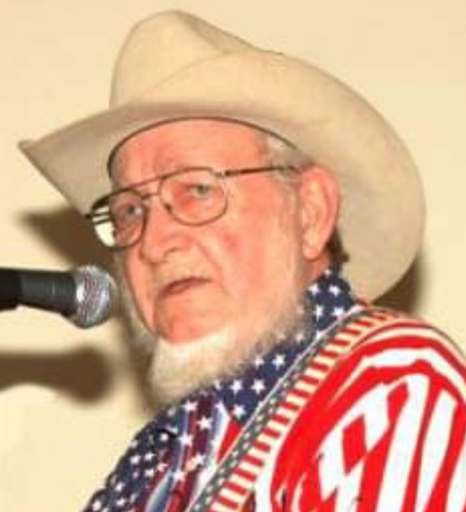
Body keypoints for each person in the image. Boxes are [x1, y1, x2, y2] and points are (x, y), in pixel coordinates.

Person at [20, 10, 466, 512]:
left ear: (310, 213)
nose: (153, 243)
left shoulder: (389, 384)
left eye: (197, 190)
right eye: (129, 211)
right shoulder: (162, 458)